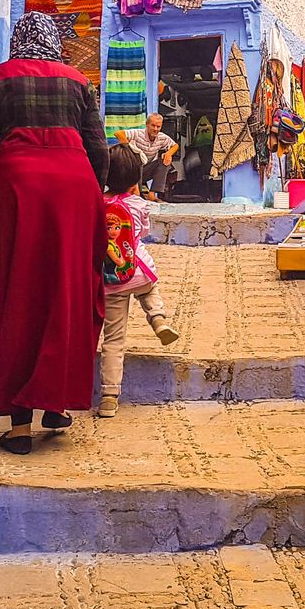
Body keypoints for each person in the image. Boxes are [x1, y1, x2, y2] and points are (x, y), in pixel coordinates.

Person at [0, 12, 108, 454]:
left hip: (18, 186)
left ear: (18, 40)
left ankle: (20, 424)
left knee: (18, 294)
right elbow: (97, 148)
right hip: (74, 189)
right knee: (68, 291)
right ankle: (56, 404)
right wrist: (93, 199)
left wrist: (11, 145)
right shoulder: (79, 82)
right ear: (52, 41)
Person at [99, 145, 180, 417]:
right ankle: (158, 319)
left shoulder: (98, 204)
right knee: (150, 287)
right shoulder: (139, 204)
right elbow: (142, 231)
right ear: (136, 179)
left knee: (113, 338)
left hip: (111, 279)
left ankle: (109, 396)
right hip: (138, 271)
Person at [114, 112, 178, 200]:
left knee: (163, 162)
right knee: (138, 160)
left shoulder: (162, 137)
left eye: (158, 126)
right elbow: (118, 133)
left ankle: (152, 194)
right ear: (147, 125)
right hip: (131, 172)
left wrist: (168, 154)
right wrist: (129, 151)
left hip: (145, 171)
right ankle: (137, 194)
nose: (155, 129)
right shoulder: (138, 133)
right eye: (153, 125)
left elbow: (175, 146)